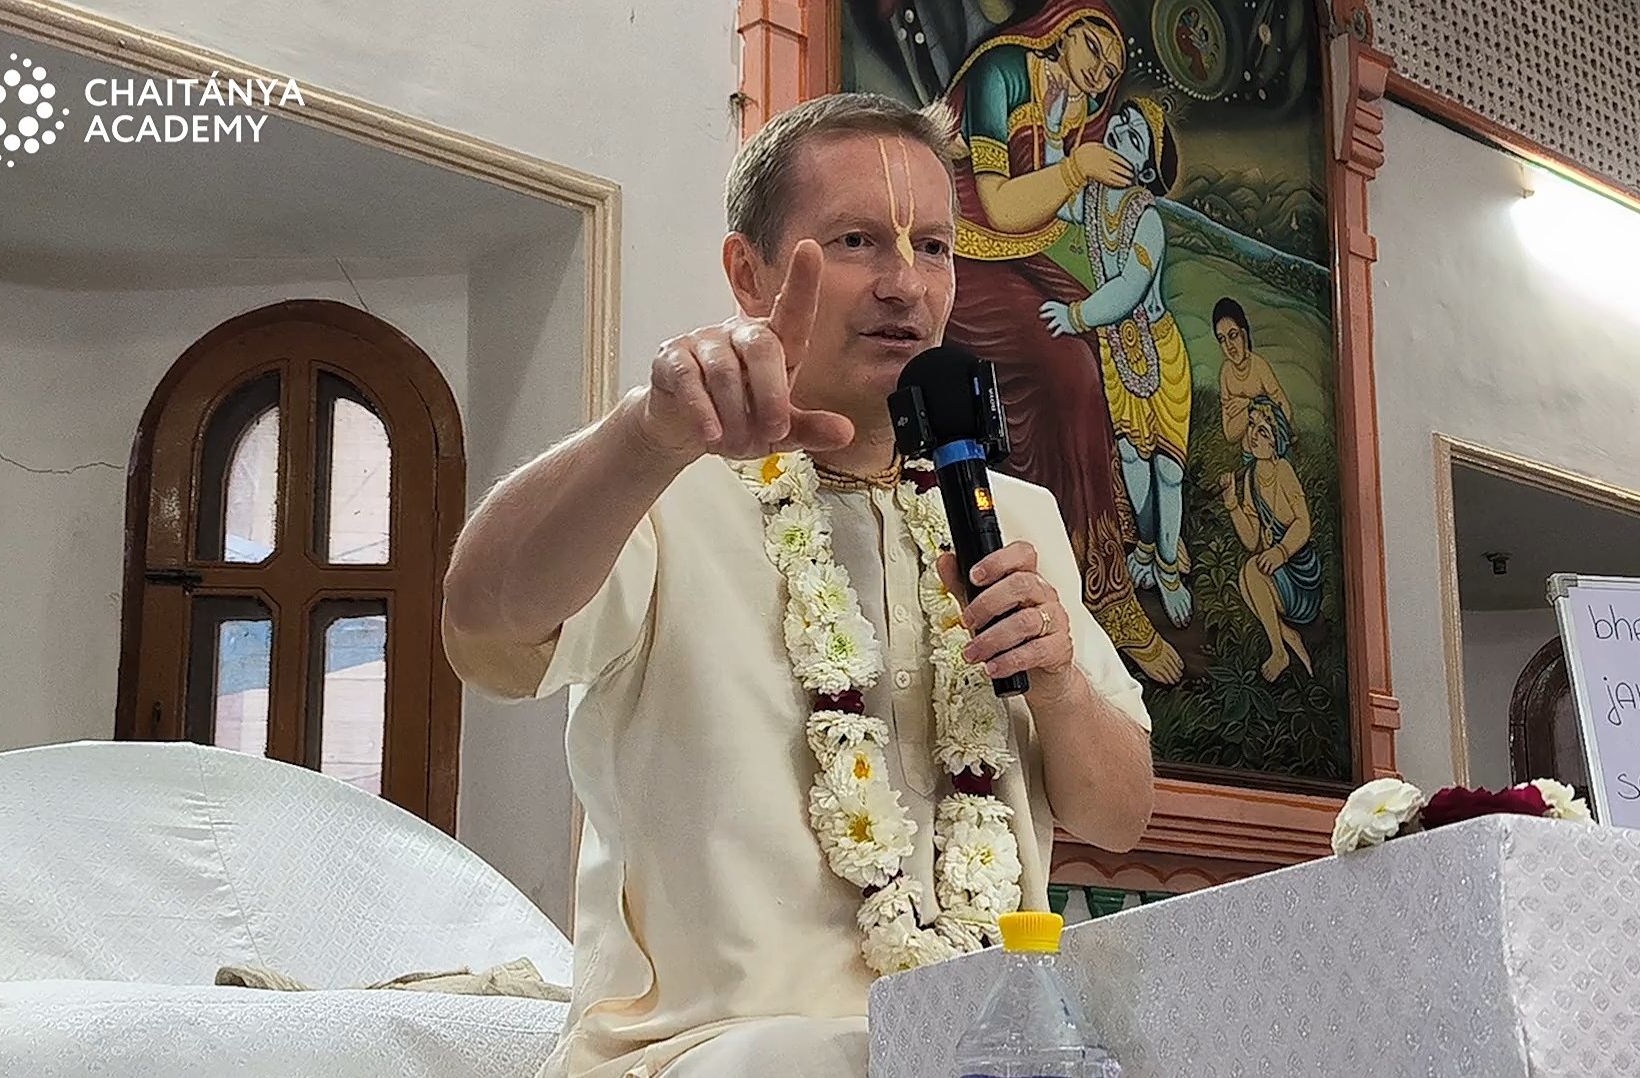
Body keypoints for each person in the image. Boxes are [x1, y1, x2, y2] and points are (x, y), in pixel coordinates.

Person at [441, 93, 1154, 1078]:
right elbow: (483, 630)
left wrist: (1061, 683)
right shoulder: (657, 488)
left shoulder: (1014, 517)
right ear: (749, 272)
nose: (905, 286)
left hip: (984, 1041)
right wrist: (643, 437)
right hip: (714, 1050)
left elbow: (1119, 816)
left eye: (934, 247)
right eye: (858, 241)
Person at [940, 1, 1188, 685]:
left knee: (1091, 351)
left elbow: (1055, 213)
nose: (1102, 72)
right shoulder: (1001, 73)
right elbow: (1001, 206)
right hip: (960, 256)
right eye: (1095, 48)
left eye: (1111, 70)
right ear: (1061, 25)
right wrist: (1076, 170)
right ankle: (1104, 592)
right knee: (1071, 362)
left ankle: (1085, 561)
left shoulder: (1074, 108)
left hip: (1014, 253)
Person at [1036, 96, 1194, 630]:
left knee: (1167, 470)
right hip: (1116, 351)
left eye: (1135, 134)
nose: (1121, 130)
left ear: (1147, 166)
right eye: (1120, 121)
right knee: (1132, 459)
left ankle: (1169, 570)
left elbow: (1129, 288)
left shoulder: (1148, 219)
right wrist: (1054, 137)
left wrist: (1076, 315)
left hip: (1161, 356)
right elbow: (1058, 201)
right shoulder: (1095, 197)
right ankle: (1146, 547)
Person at [1219, 395, 1319, 682]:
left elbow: (1303, 523)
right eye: (1251, 425)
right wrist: (1232, 504)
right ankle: (1286, 635)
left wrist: (1280, 552)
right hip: (1275, 570)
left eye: (1262, 431)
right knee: (1245, 577)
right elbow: (1252, 540)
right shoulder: (1251, 476)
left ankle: (1279, 652)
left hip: (1299, 573)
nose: (1253, 434)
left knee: (1252, 571)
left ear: (1276, 442)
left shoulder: (1283, 470)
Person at [1212, 297, 1291, 447]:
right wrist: (1255, 410)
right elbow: (1230, 433)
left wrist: (1248, 404)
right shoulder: (1226, 373)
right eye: (1222, 339)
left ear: (1244, 334)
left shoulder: (1259, 366)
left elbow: (1285, 411)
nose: (1229, 346)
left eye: (1233, 335)